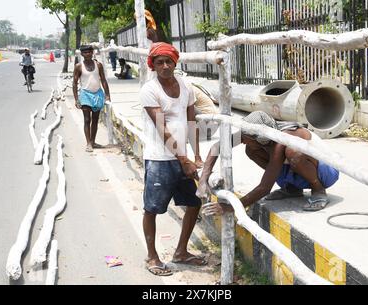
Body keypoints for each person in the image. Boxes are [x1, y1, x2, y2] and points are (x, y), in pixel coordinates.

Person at [140, 42, 205, 276]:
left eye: (169, 61)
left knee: (194, 203)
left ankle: (181, 252)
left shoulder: (186, 86)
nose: (165, 66)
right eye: (160, 62)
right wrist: (183, 159)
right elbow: (162, 128)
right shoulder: (150, 90)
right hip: (159, 159)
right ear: (153, 65)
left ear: (175, 62)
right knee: (152, 209)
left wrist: (196, 156)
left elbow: (191, 122)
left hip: (183, 159)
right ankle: (152, 257)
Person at [197, 111, 340, 215]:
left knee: (292, 152)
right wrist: (204, 178)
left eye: (247, 138)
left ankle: (319, 190)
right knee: (251, 151)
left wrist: (232, 207)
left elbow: (265, 187)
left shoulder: (281, 140)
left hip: (325, 172)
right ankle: (291, 188)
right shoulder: (253, 134)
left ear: (260, 138)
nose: (243, 140)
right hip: (300, 172)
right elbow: (218, 146)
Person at [73, 45, 111, 153]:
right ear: (82, 54)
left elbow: (103, 80)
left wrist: (107, 94)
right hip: (85, 94)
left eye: (89, 52)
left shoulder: (98, 65)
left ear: (92, 52)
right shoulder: (79, 66)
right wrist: (76, 99)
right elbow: (75, 83)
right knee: (87, 119)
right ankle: (88, 143)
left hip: (98, 94)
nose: (87, 54)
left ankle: (93, 141)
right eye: (85, 52)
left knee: (95, 120)